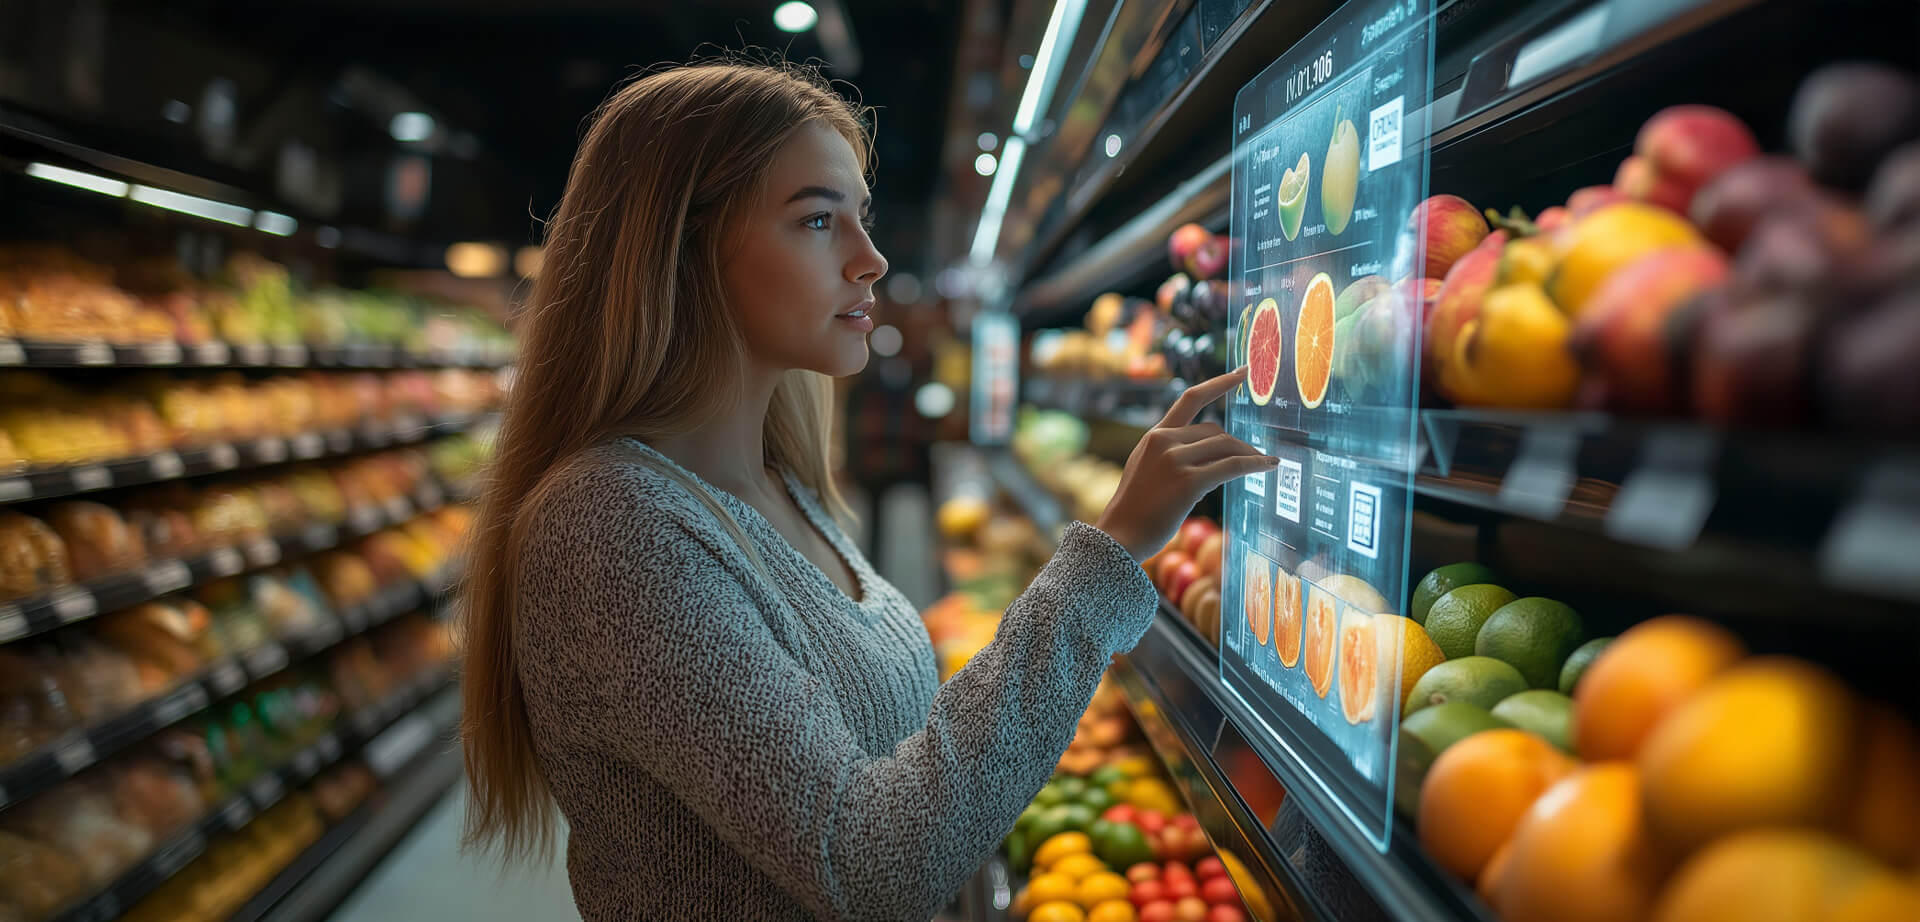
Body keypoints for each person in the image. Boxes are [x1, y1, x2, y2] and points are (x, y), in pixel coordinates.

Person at [457, 60, 1274, 922]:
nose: (871, 259)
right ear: (684, 250)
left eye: (862, 217)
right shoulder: (611, 530)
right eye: (817, 219)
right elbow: (872, 866)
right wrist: (1105, 559)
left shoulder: (777, 489)